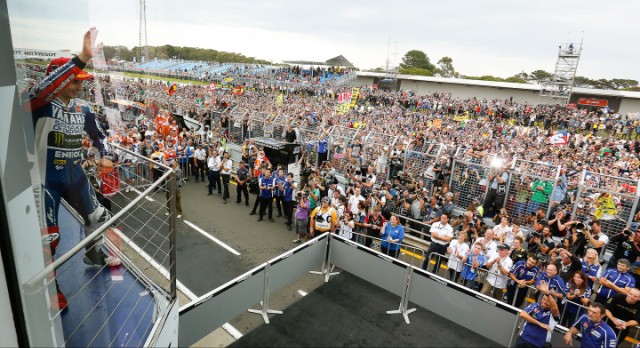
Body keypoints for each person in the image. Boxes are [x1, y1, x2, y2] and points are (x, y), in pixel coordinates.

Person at [25, 28, 121, 310]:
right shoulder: (37, 103)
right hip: (43, 178)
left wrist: (105, 154)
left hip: (74, 172)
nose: (80, 87)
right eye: (74, 82)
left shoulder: (83, 108)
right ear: (59, 80)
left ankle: (93, 255)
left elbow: (99, 135)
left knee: (99, 217)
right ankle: (51, 287)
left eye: (81, 82)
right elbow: (44, 89)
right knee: (49, 237)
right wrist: (80, 58)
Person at [516, 283, 560, 348]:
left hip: (537, 344)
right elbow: (522, 314)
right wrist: (539, 323)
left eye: (547, 301)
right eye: (543, 299)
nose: (544, 302)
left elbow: (554, 308)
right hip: (523, 338)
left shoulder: (553, 313)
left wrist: (548, 293)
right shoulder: (535, 305)